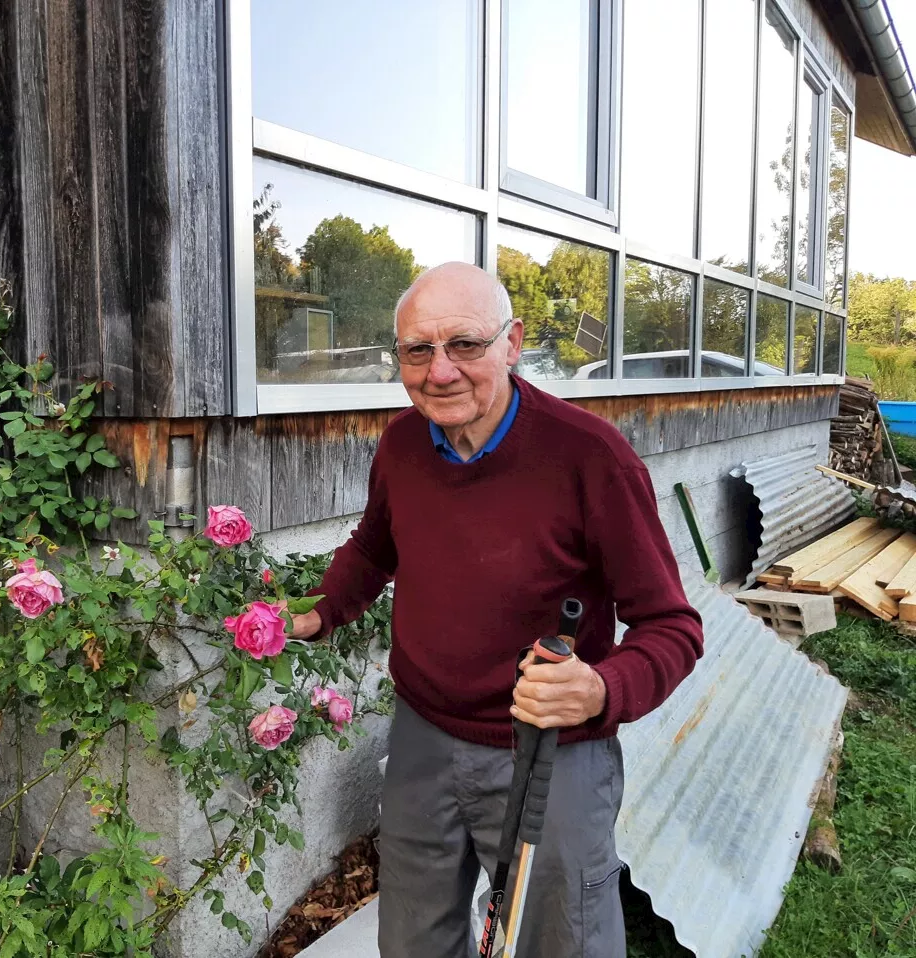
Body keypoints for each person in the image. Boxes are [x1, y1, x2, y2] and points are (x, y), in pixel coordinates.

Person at [287, 262, 704, 958]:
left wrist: (601, 688)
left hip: (548, 751)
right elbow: (373, 549)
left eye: (465, 346)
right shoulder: (400, 446)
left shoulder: (592, 459)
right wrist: (317, 610)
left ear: (511, 343)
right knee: (413, 940)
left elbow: (674, 628)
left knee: (558, 944)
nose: (440, 371)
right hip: (424, 736)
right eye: (417, 350)